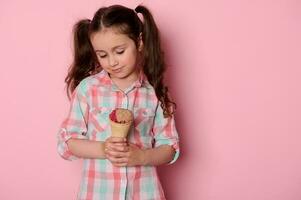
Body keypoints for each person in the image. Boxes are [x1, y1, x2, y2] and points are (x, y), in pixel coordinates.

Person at [57, 4, 180, 200]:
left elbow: (170, 148)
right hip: (97, 193)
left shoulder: (155, 92)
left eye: (119, 51)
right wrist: (102, 148)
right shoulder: (88, 89)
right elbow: (67, 142)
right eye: (103, 55)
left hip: (144, 193)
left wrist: (142, 156)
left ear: (139, 42)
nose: (112, 62)